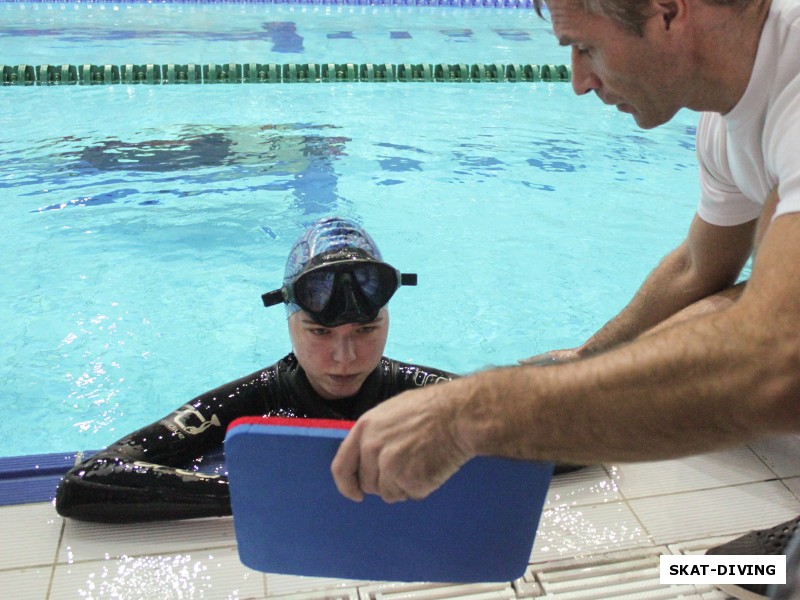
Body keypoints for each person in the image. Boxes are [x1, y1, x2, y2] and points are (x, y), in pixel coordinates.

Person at [329, 0, 800, 597]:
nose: (580, 81)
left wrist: (472, 415)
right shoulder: (728, 119)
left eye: (585, 47)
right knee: (718, 314)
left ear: (668, 12)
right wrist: (584, 360)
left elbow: (779, 360)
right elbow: (696, 269)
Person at [55, 216, 455, 523]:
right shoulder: (253, 400)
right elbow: (88, 479)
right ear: (289, 322)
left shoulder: (420, 391)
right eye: (319, 331)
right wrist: (260, 496)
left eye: (366, 330)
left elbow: (518, 426)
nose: (345, 357)